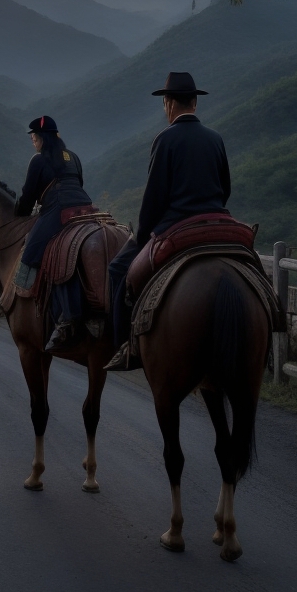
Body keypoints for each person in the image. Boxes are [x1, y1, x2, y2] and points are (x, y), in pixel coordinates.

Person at [107, 71, 231, 370]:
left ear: (168, 104)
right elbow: (225, 188)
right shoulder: (215, 139)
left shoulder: (165, 139)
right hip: (217, 222)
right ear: (194, 103)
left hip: (175, 225)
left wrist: (142, 234)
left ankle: (125, 346)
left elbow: (154, 199)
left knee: (117, 270)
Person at [15, 115, 93, 351]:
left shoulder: (38, 160)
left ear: (42, 138)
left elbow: (28, 199)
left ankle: (29, 304)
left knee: (31, 254)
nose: (33, 141)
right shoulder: (74, 157)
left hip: (58, 211)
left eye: (34, 137)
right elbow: (79, 183)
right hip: (86, 209)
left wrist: (18, 210)